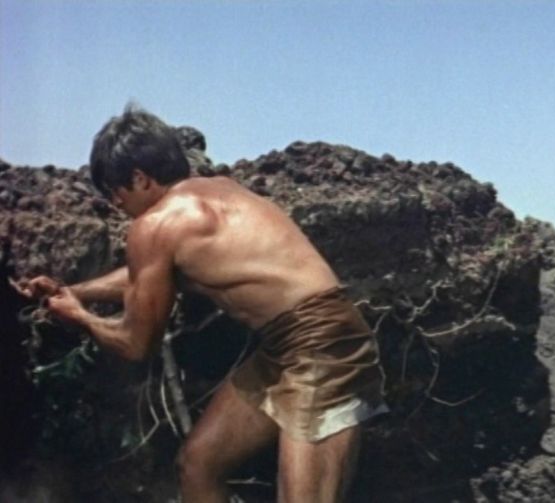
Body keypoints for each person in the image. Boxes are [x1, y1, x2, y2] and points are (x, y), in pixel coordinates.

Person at [16, 106, 387, 503]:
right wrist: (75, 291)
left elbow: (136, 344)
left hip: (324, 349)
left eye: (114, 191)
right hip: (288, 346)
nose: (115, 203)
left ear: (140, 178)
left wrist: (80, 317)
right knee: (199, 464)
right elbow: (148, 276)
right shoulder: (220, 189)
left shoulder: (155, 226)